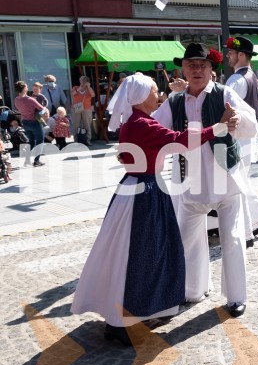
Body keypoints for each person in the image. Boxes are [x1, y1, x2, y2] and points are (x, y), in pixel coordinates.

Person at [71, 74, 234, 345]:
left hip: (136, 189)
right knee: (144, 255)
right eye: (154, 90)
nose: (157, 94)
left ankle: (122, 318)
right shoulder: (142, 123)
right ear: (140, 96)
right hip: (145, 192)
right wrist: (218, 127)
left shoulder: (133, 121)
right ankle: (127, 321)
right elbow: (181, 140)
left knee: (129, 255)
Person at [153, 43, 258, 318]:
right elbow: (154, 128)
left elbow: (252, 126)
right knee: (187, 239)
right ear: (183, 70)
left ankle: (236, 298)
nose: (197, 70)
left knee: (232, 239)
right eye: (191, 65)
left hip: (225, 179)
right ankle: (192, 290)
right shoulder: (174, 102)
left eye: (202, 65)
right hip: (190, 182)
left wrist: (237, 122)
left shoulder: (225, 93)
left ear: (212, 69)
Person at [224, 37, 258, 244]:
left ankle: (245, 233)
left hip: (238, 138)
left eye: (231, 53)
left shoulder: (235, 80)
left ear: (241, 55)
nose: (228, 56)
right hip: (248, 137)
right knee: (241, 182)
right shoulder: (252, 76)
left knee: (235, 185)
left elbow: (226, 110)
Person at [14, 81, 48, 167]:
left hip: (25, 122)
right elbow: (42, 109)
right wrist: (44, 109)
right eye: (26, 86)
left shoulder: (16, 100)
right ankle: (36, 161)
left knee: (31, 142)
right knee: (40, 141)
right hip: (34, 122)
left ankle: (27, 160)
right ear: (24, 88)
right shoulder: (30, 99)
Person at [71, 76, 95, 143]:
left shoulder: (88, 89)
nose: (81, 82)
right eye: (81, 80)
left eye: (82, 80)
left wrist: (89, 87)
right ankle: (76, 140)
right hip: (76, 107)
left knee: (87, 124)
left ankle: (87, 140)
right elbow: (73, 94)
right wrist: (79, 88)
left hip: (87, 108)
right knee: (76, 124)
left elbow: (93, 95)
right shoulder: (75, 87)